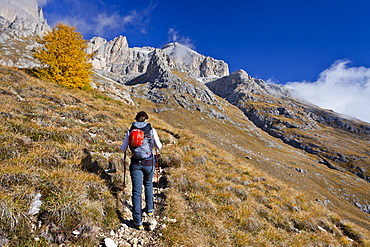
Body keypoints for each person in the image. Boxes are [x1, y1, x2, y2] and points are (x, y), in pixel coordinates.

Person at [120, 111, 162, 230]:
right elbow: (159, 146)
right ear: (146, 120)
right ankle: (149, 209)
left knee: (136, 191)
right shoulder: (151, 130)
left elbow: (123, 148)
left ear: (136, 119)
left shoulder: (130, 131)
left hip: (135, 164)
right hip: (149, 162)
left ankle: (137, 221)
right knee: (148, 184)